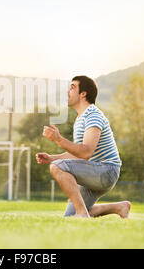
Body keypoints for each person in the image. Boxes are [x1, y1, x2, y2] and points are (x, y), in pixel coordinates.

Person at [36, 76, 131, 218]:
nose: (68, 91)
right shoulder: (80, 118)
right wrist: (52, 158)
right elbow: (78, 154)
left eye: (72, 87)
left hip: (106, 171)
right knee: (69, 215)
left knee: (57, 167)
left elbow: (86, 152)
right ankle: (119, 207)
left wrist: (58, 139)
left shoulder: (93, 115)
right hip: (95, 172)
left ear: (83, 94)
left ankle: (82, 213)